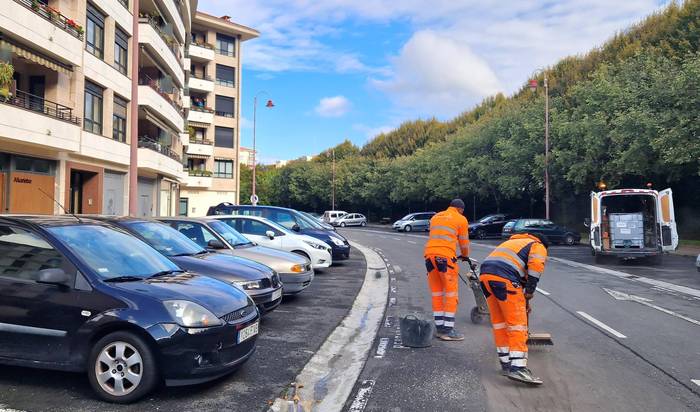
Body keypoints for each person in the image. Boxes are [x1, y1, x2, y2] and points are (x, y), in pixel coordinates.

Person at [479, 232, 549, 385]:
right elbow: (535, 268)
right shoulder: (537, 245)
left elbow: (519, 277)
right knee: (517, 324)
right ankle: (518, 369)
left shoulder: (515, 243)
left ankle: (506, 363)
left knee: (500, 323)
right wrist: (530, 292)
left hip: (486, 277)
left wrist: (525, 301)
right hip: (505, 279)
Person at [423, 199, 473, 341]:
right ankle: (447, 330)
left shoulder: (436, 217)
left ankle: (439, 327)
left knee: (437, 293)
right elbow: (463, 242)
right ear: (461, 209)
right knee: (451, 294)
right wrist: (464, 256)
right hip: (445, 258)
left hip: (429, 256)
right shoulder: (461, 219)